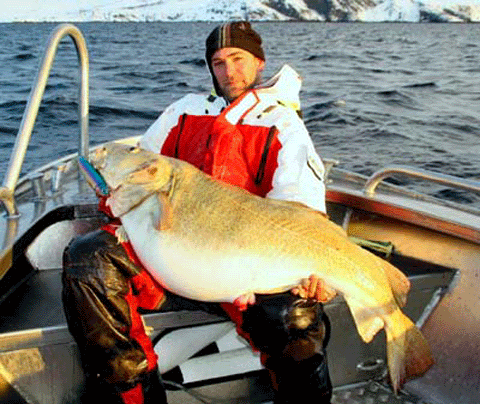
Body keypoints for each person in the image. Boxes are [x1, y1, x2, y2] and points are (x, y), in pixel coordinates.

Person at [62, 21, 335, 404]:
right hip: (166, 259)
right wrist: (112, 190)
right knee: (87, 258)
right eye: (219, 62)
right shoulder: (183, 112)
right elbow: (137, 171)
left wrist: (314, 273)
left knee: (298, 317)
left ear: (259, 62)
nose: (229, 71)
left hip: (249, 274)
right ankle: (135, 396)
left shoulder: (283, 124)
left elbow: (299, 209)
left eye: (238, 59)